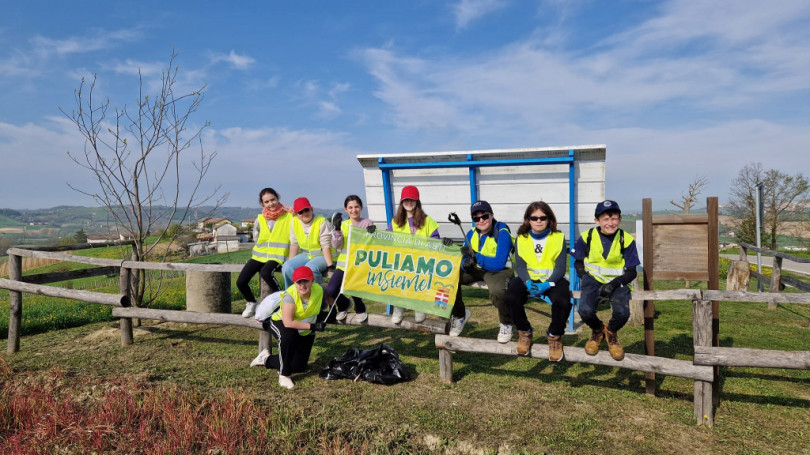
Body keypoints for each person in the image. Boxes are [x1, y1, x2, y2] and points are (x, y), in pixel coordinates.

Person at [573, 200, 640, 361]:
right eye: (605, 219)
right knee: (585, 311)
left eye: (614, 219)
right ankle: (597, 331)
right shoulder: (587, 237)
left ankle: (611, 332)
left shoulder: (626, 239)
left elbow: (632, 272)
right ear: (597, 221)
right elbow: (578, 261)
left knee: (622, 313)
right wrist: (585, 276)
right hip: (592, 280)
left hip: (618, 282)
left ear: (620, 219)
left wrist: (614, 284)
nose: (610, 223)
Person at [504, 201, 572, 361]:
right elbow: (520, 266)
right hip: (528, 279)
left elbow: (561, 267)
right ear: (528, 219)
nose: (539, 221)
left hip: (552, 280)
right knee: (510, 297)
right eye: (534, 218)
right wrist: (527, 282)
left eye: (543, 217)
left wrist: (547, 284)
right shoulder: (521, 238)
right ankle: (524, 331)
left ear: (549, 219)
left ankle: (554, 336)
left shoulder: (558, 237)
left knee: (563, 301)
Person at [386, 185, 462, 328]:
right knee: (398, 279)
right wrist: (372, 233)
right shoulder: (395, 222)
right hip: (402, 262)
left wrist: (444, 243)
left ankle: (419, 306)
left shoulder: (428, 221)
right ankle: (398, 307)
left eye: (412, 200)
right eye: (406, 200)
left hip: (423, 262)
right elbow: (385, 239)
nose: (409, 203)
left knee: (421, 280)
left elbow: (436, 241)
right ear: (402, 202)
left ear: (417, 202)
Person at [250, 266, 327, 389]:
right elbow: (288, 322)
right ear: (294, 283)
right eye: (298, 282)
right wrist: (314, 326)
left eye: (305, 281)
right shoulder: (290, 295)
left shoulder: (319, 289)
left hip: (304, 329)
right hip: (281, 322)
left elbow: (329, 291)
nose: (302, 285)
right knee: (288, 336)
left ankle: (265, 359)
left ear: (312, 280)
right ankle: (283, 374)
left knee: (299, 367)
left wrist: (336, 306)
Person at [453, 200, 514, 340]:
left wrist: (476, 257)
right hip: (478, 269)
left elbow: (499, 263)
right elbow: (464, 254)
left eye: (484, 216)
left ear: (492, 215)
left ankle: (506, 323)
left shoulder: (502, 231)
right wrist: (465, 264)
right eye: (476, 218)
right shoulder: (471, 232)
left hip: (499, 271)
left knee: (498, 292)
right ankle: (460, 314)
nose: (481, 220)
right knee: (448, 278)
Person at [238, 188, 292, 318]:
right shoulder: (260, 218)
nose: (270, 203)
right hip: (259, 255)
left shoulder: (289, 216)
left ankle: (284, 302)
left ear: (278, 198)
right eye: (266, 201)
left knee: (266, 273)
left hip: (278, 255)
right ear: (262, 204)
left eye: (272, 199)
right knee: (241, 281)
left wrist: (295, 214)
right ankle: (251, 302)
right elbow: (256, 237)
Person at [328, 195, 374, 322]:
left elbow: (371, 244)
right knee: (331, 289)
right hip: (343, 264)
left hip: (359, 264)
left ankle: (359, 306)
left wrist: (372, 235)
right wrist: (336, 230)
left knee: (352, 285)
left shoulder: (367, 223)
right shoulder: (343, 225)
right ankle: (343, 304)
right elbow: (337, 246)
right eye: (350, 207)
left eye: (356, 207)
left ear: (361, 208)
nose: (354, 210)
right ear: (346, 210)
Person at [281, 197, 336, 289]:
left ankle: (319, 294)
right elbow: (294, 244)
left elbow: (326, 245)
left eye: (306, 210)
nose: (304, 214)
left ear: (312, 209)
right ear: (296, 214)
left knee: (310, 269)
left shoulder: (322, 222)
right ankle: (292, 296)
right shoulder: (294, 222)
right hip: (307, 255)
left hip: (325, 255)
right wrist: (290, 261)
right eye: (300, 212)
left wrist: (330, 265)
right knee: (287, 267)